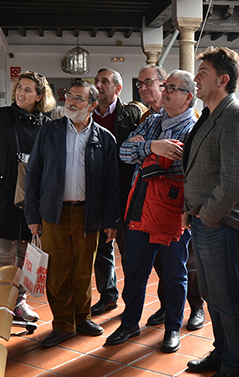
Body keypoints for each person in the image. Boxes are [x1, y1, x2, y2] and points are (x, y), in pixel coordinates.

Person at [105, 70, 198, 353]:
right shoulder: (153, 122)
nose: (165, 91)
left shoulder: (194, 129)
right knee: (134, 272)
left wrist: (143, 153)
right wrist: (153, 147)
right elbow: (124, 152)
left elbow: (186, 168)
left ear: (188, 97)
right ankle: (130, 322)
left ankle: (172, 328)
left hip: (173, 212)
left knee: (174, 275)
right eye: (165, 86)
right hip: (140, 206)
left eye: (173, 88)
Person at [183, 47, 239, 377]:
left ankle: (235, 364)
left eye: (203, 73)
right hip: (203, 219)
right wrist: (191, 211)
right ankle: (221, 351)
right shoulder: (211, 114)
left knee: (227, 296)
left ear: (222, 79)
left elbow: (234, 181)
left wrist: (208, 217)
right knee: (213, 293)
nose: (196, 78)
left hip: (222, 223)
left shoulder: (237, 116)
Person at [24, 81, 119, 348]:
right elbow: (33, 174)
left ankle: (82, 316)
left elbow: (111, 184)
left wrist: (111, 220)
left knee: (82, 270)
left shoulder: (105, 139)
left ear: (92, 105)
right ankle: (64, 323)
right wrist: (32, 215)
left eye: (79, 99)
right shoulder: (50, 132)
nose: (71, 102)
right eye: (69, 97)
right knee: (57, 272)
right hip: (54, 213)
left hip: (88, 214)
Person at [0, 70, 56, 323]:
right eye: (20, 87)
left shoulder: (46, 124)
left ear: (40, 96)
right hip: (3, 193)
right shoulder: (0, 117)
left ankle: (19, 303)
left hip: (32, 197)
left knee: (25, 252)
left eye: (28, 89)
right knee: (4, 252)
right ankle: (2, 301)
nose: (21, 93)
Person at [91, 68, 146, 317]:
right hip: (96, 192)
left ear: (117, 88)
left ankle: (132, 304)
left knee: (128, 249)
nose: (99, 85)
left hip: (125, 192)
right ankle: (107, 295)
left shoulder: (131, 115)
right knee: (102, 248)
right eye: (97, 81)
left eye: (105, 81)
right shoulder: (87, 114)